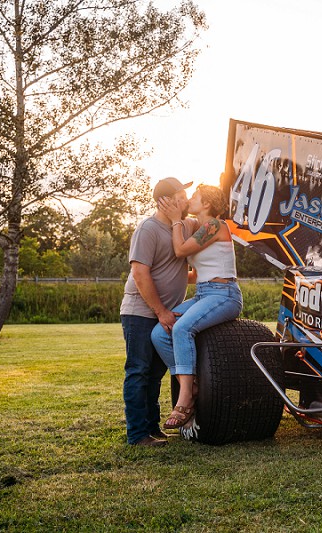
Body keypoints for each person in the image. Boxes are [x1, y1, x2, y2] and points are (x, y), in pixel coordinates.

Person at [151, 184, 243, 436]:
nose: (189, 199)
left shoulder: (215, 225)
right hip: (204, 292)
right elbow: (196, 274)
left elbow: (180, 250)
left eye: (194, 196)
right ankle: (189, 385)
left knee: (182, 328)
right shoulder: (201, 228)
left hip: (224, 294)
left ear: (206, 204)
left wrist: (175, 220)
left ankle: (184, 400)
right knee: (160, 333)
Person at [120, 177, 193, 447]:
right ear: (166, 201)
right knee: (138, 370)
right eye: (181, 196)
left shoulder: (179, 229)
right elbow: (140, 273)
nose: (185, 200)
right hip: (142, 312)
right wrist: (161, 311)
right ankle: (138, 434)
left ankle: (152, 428)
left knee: (154, 374)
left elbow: (175, 270)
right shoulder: (148, 229)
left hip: (165, 313)